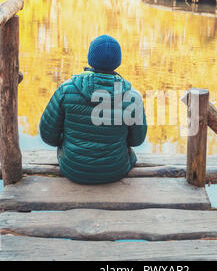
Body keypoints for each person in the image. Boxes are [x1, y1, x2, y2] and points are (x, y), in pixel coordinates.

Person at [39, 35, 147, 184]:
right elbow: (137, 140)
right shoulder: (132, 97)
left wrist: (69, 143)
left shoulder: (66, 89)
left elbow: (48, 135)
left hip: (73, 168)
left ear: (90, 58)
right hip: (115, 170)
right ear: (118, 62)